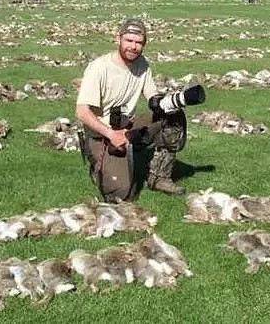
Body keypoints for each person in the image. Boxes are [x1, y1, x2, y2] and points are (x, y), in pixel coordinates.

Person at [75, 19, 202, 202]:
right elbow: (81, 112)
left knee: (173, 116)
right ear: (118, 39)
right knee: (122, 196)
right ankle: (98, 163)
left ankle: (159, 177)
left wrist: (174, 101)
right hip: (101, 133)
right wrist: (111, 134)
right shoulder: (99, 68)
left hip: (126, 125)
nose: (133, 47)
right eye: (129, 40)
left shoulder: (142, 64)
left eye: (138, 42)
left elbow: (153, 99)